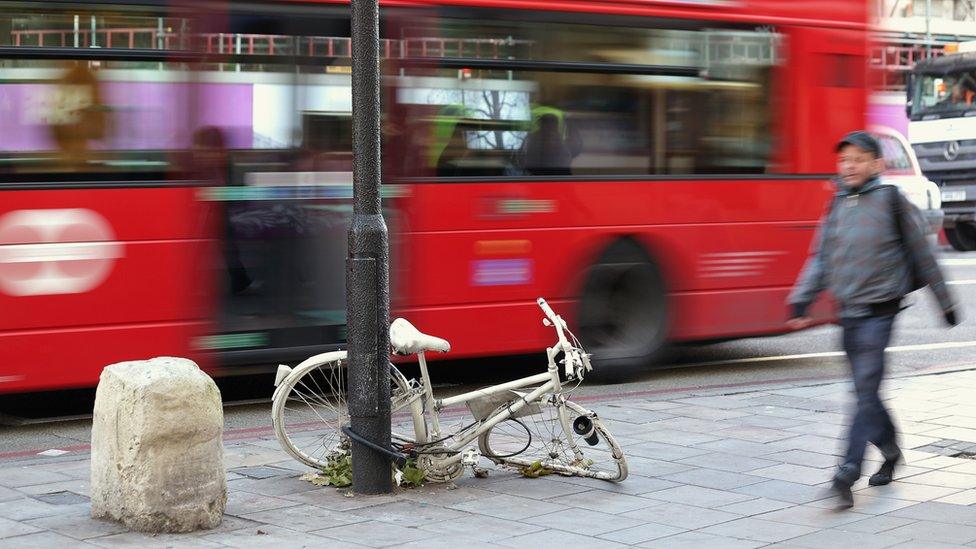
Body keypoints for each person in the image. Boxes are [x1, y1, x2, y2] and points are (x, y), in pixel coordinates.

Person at [787, 130, 959, 510]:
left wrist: (945, 303)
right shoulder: (837, 204)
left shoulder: (892, 201)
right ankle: (892, 449)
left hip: (881, 313)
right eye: (843, 160)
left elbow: (923, 255)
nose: (849, 166)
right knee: (867, 393)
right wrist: (801, 300)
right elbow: (821, 257)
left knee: (863, 390)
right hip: (848, 312)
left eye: (858, 159)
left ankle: (846, 473)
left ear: (877, 164)